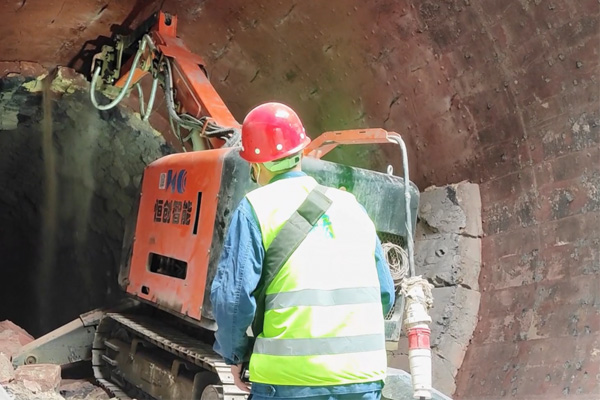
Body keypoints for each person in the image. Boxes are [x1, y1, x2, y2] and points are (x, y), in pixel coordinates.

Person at [210, 102, 395, 400]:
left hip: (289, 382)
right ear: (300, 152)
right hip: (363, 380)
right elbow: (385, 294)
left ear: (256, 165)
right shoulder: (352, 207)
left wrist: (232, 356)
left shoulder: (257, 208)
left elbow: (233, 299)